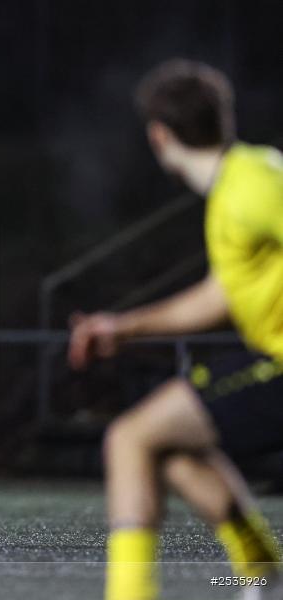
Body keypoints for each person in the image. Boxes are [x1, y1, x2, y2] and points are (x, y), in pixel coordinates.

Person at [68, 59, 283, 600]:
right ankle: (260, 577)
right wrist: (123, 327)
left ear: (159, 136)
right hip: (270, 360)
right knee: (172, 449)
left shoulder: (250, 186)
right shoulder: (242, 183)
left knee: (129, 439)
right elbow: (223, 294)